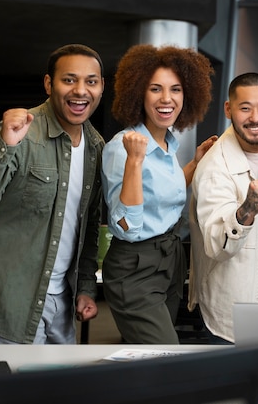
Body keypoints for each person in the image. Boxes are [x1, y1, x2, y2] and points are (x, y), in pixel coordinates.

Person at [0, 44, 105, 344]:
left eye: (91, 81)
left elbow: (89, 226)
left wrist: (86, 286)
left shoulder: (97, 146)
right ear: (49, 83)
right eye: (69, 79)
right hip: (3, 298)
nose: (80, 90)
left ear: (101, 87)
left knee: (56, 390)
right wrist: (5, 145)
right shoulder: (20, 131)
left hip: (61, 302)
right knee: (6, 391)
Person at [101, 44, 216, 344]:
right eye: (155, 89)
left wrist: (194, 164)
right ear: (139, 92)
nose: (167, 99)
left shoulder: (167, 145)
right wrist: (134, 162)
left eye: (176, 89)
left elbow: (166, 191)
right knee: (163, 352)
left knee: (148, 358)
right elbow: (126, 225)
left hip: (170, 261)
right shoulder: (123, 147)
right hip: (136, 267)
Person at [188, 72, 258, 344]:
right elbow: (216, 246)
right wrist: (248, 210)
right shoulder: (213, 168)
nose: (255, 118)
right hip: (233, 305)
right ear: (229, 109)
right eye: (245, 108)